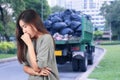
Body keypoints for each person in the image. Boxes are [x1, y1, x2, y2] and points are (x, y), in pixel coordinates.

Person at [16, 9, 59, 80]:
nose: (24, 31)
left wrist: (30, 45)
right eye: (22, 28)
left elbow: (38, 67)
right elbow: (25, 67)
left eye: (25, 26)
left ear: (34, 23)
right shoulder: (29, 40)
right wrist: (36, 72)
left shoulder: (46, 38)